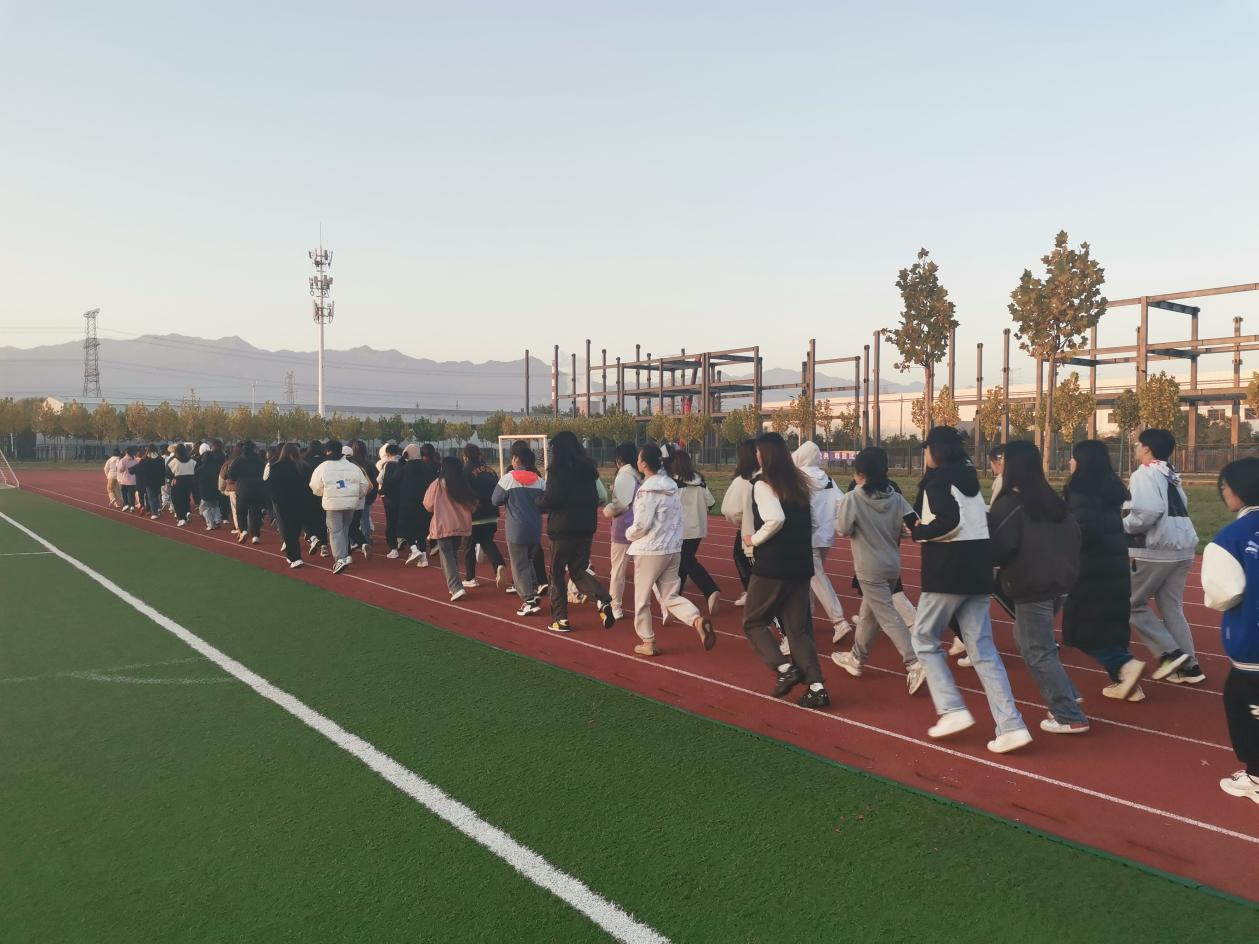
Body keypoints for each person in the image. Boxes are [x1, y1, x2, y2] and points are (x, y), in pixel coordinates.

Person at [909, 426, 1029, 754]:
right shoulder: (970, 480)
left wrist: (918, 532)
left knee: (923, 638)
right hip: (977, 571)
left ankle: (951, 709)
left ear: (936, 450)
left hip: (947, 571)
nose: (925, 454)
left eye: (927, 448)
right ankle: (1011, 725)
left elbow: (948, 523)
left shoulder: (938, 481)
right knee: (983, 651)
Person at [988, 440, 1091, 735]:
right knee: (1026, 640)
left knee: (1038, 650)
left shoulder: (1009, 505)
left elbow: (998, 548)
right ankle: (1067, 692)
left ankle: (1069, 715)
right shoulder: (1053, 501)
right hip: (1060, 583)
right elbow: (1075, 537)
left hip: (1031, 586)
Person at [741, 432, 830, 709]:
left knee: (754, 621)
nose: (756, 455)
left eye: (758, 451)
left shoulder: (762, 484)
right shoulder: (799, 482)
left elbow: (775, 519)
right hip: (801, 564)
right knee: (798, 629)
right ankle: (816, 687)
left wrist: (753, 540)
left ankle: (783, 668)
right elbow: (814, 523)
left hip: (773, 565)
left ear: (765, 455)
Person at [831, 447, 926, 695]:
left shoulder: (852, 498)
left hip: (868, 567)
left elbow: (843, 529)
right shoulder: (895, 497)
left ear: (860, 474)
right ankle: (856, 658)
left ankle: (914, 661)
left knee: (886, 616)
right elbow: (910, 523)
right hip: (892, 565)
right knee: (869, 615)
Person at [1062, 440, 1146, 701]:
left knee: (1081, 630)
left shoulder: (1080, 492)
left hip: (1090, 567)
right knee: (1111, 625)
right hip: (1114, 563)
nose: (1070, 462)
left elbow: (1081, 532)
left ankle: (1124, 665)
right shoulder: (1110, 489)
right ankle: (1126, 681)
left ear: (1082, 461)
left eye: (1073, 457)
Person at [1124, 428, 1203, 683]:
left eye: (1137, 444)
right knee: (1172, 608)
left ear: (1147, 448)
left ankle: (1170, 653)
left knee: (1130, 604)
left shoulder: (1143, 473)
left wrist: (1124, 525)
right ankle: (1189, 667)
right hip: (1183, 547)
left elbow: (1148, 511)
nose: (1136, 448)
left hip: (1155, 549)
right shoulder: (1170, 474)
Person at [1201, 457, 1259, 805]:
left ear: (1237, 490)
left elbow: (1223, 594)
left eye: (1224, 487)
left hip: (1253, 646)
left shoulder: (1231, 538)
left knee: (1244, 706)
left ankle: (1257, 777)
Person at [624, 444, 716, 656]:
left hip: (649, 550)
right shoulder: (671, 485)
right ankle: (696, 620)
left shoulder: (646, 490)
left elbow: (642, 525)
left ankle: (647, 640)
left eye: (639, 458)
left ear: (643, 463)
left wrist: (629, 534)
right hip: (672, 548)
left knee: (642, 598)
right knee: (670, 595)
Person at [538, 430, 615, 632]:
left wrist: (538, 502)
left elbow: (553, 499)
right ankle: (602, 598)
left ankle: (561, 619)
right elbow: (598, 496)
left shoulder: (557, 471)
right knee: (578, 570)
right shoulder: (589, 470)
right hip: (586, 528)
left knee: (556, 573)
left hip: (562, 529)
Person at [792, 440, 854, 643]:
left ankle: (839, 621)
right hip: (826, 536)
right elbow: (841, 501)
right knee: (810, 578)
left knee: (817, 578)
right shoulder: (827, 479)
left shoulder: (797, 479)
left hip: (805, 535)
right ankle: (806, 617)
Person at [493, 444, 548, 615]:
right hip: (535, 528)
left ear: (516, 458)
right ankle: (533, 591)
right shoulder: (539, 480)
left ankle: (528, 600)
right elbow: (546, 503)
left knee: (519, 565)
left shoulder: (508, 478)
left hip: (516, 529)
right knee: (528, 561)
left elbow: (495, 499)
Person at [669, 448, 721, 616]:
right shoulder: (700, 481)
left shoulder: (673, 483)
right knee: (684, 561)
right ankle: (676, 595)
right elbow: (711, 503)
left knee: (687, 561)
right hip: (698, 528)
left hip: (681, 530)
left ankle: (710, 589)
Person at [310, 439, 370, 574]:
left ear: (328, 451)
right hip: (350, 504)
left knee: (335, 531)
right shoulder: (353, 466)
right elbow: (364, 485)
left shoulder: (323, 466)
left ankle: (341, 558)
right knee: (345, 529)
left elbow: (315, 485)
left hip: (333, 504)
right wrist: (355, 496)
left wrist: (324, 493)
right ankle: (345, 554)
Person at [423, 456, 478, 600]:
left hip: (443, 526)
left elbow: (428, 505)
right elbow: (473, 505)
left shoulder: (437, 484)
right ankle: (454, 584)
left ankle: (456, 587)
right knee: (451, 556)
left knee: (447, 558)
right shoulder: (463, 484)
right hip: (460, 525)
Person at [602, 442, 643, 620]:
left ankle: (615, 606)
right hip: (639, 526)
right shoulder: (638, 475)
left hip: (623, 528)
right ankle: (666, 604)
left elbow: (620, 503)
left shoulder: (624, 474)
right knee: (646, 571)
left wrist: (608, 510)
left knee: (618, 571)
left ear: (619, 459)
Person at [462, 444, 508, 589]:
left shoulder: (465, 470)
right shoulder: (490, 470)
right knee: (487, 542)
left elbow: (462, 491)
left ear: (465, 457)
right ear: (479, 455)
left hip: (474, 514)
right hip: (492, 512)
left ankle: (470, 577)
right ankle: (499, 564)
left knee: (469, 547)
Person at [720, 439, 759, 607]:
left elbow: (729, 509)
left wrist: (741, 521)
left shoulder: (743, 481)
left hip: (749, 530)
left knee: (743, 558)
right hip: (769, 529)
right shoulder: (769, 476)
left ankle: (753, 594)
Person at [264, 442, 308, 569]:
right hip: (301, 502)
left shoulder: (276, 467)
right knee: (295, 529)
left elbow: (272, 487)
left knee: (288, 530)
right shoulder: (303, 467)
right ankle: (292, 555)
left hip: (284, 503)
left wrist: (276, 502)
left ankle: (295, 557)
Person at [399, 443, 440, 566]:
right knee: (422, 530)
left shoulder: (405, 468)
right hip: (424, 502)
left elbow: (393, 480)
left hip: (408, 501)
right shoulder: (428, 468)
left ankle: (414, 548)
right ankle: (423, 557)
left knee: (405, 527)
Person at [226, 441, 267, 544]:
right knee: (255, 513)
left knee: (241, 512)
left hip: (242, 489)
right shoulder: (259, 460)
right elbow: (265, 474)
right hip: (257, 490)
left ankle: (243, 530)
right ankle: (255, 536)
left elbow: (231, 475)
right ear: (254, 449)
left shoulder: (238, 460)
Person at [377, 443, 404, 557]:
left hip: (390, 498)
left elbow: (379, 480)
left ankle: (393, 549)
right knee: (402, 520)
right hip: (403, 496)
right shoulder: (405, 463)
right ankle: (402, 539)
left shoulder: (387, 465)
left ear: (387, 454)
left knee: (391, 522)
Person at [196, 441, 226, 530]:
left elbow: (196, 480)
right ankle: (217, 520)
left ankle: (210, 524)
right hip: (216, 490)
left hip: (205, 491)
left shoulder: (200, 469)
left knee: (204, 508)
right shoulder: (218, 467)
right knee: (215, 505)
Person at [166, 443, 197, 527]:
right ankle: (187, 512)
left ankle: (181, 518)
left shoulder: (174, 461)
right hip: (190, 481)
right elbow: (196, 469)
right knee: (186, 498)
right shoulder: (192, 461)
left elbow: (168, 472)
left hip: (178, 481)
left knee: (177, 500)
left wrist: (172, 478)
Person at [117, 446, 140, 511]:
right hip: (133, 480)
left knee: (124, 492)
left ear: (126, 452)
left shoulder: (123, 460)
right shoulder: (135, 460)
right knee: (132, 494)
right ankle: (132, 506)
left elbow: (120, 470)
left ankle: (126, 504)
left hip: (125, 479)